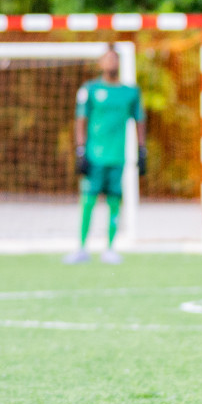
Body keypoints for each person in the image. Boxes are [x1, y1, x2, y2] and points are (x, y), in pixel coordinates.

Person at [66, 46, 146, 265]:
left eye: (114, 59)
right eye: (107, 58)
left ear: (119, 62)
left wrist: (142, 149)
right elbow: (80, 121)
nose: (111, 62)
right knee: (88, 201)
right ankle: (81, 247)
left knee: (114, 202)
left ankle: (110, 248)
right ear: (100, 63)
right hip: (94, 157)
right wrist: (80, 149)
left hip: (117, 158)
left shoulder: (130, 92)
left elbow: (140, 121)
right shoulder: (90, 89)